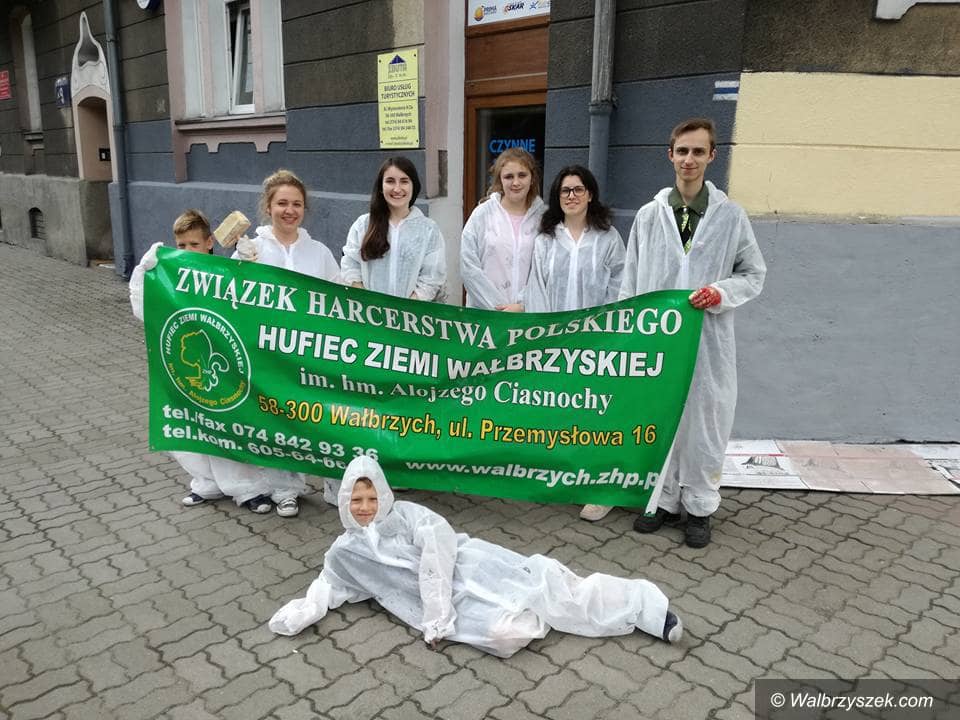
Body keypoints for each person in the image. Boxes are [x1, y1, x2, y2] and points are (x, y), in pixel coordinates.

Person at [268, 455, 682, 658]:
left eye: (371, 497)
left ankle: (647, 609)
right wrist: (302, 613)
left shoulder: (409, 516)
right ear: (343, 501)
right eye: (355, 500)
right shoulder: (347, 551)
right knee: (505, 638)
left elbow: (437, 554)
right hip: (440, 607)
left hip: (470, 570)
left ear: (384, 495)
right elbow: (329, 584)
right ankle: (535, 614)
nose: (364, 507)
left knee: (549, 586)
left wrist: (437, 617)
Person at [621, 118, 766, 548]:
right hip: (659, 340)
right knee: (661, 417)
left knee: (706, 419)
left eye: (698, 151)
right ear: (670, 155)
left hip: (707, 339)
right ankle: (663, 499)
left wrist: (719, 292)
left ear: (711, 156)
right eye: (682, 151)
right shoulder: (650, 216)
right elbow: (631, 279)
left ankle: (700, 506)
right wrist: (631, 331)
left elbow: (753, 273)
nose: (689, 159)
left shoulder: (730, 217)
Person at [232, 169, 343, 516]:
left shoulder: (319, 252)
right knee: (278, 420)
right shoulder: (252, 250)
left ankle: (335, 485)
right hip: (269, 355)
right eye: (282, 203)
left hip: (312, 354)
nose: (289, 210)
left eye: (297, 204)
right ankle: (285, 488)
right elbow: (229, 298)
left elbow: (339, 299)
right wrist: (240, 267)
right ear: (268, 206)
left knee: (320, 417)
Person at [520, 165, 625, 523]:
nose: (572, 196)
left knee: (596, 412)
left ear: (590, 194)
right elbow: (537, 289)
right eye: (565, 191)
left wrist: (605, 333)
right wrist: (546, 337)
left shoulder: (608, 239)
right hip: (557, 342)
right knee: (562, 408)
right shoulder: (546, 240)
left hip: (598, 343)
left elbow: (621, 286)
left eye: (578, 189)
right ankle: (563, 477)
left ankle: (600, 487)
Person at [129, 209, 229, 508]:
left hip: (221, 366)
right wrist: (144, 274)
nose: (187, 250)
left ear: (209, 243)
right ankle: (206, 482)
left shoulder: (224, 275)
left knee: (227, 423)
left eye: (194, 244)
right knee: (189, 422)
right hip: (183, 368)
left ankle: (244, 486)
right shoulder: (172, 279)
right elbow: (144, 310)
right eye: (181, 245)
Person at [340, 157, 446, 302]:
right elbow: (351, 266)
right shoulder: (363, 225)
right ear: (381, 187)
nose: (397, 189)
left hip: (410, 313)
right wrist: (367, 302)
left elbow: (432, 277)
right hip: (368, 311)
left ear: (413, 186)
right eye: (390, 181)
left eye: (404, 181)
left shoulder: (429, 230)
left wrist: (403, 309)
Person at [460, 147, 545, 310]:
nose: (516, 182)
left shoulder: (543, 218)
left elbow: (545, 271)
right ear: (500, 179)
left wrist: (522, 305)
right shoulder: (482, 215)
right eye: (509, 176)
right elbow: (468, 266)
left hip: (527, 316)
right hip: (486, 314)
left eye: (522, 175)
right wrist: (497, 308)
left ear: (532, 178)